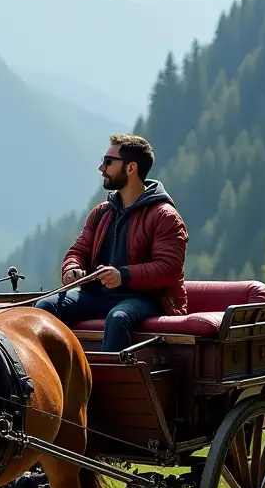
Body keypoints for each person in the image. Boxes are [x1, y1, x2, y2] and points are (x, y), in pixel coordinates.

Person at [35, 134, 188, 352]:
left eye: (108, 162)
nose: (101, 168)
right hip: (98, 296)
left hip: (147, 299)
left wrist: (123, 275)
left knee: (118, 318)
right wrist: (72, 268)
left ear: (131, 168)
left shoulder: (165, 216)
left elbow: (168, 268)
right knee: (45, 307)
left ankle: (110, 376)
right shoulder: (101, 212)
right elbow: (78, 251)